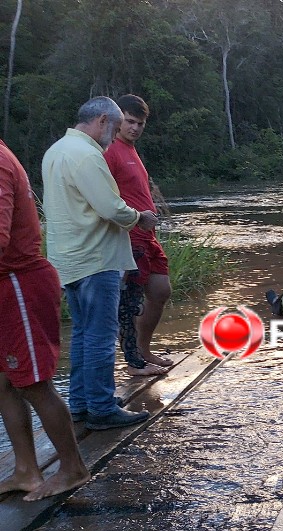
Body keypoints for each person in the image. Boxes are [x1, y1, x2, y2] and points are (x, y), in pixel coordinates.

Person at [42, 97, 156, 430]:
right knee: (101, 336)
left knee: (82, 334)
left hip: (67, 259)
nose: (120, 131)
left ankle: (81, 402)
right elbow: (111, 208)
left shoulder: (56, 151)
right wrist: (140, 218)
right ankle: (103, 407)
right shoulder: (88, 154)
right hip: (96, 257)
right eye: (118, 125)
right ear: (103, 120)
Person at [0, 137, 91, 501]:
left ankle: (73, 469)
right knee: (4, 383)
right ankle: (26, 470)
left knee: (34, 383)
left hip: (19, 283)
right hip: (6, 285)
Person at [103, 94, 173, 376]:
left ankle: (144, 350)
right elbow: (105, 197)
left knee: (161, 290)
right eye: (129, 122)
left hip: (148, 235)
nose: (134, 128)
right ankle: (134, 361)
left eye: (140, 123)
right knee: (131, 300)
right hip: (130, 235)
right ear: (119, 122)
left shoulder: (131, 151)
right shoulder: (110, 151)